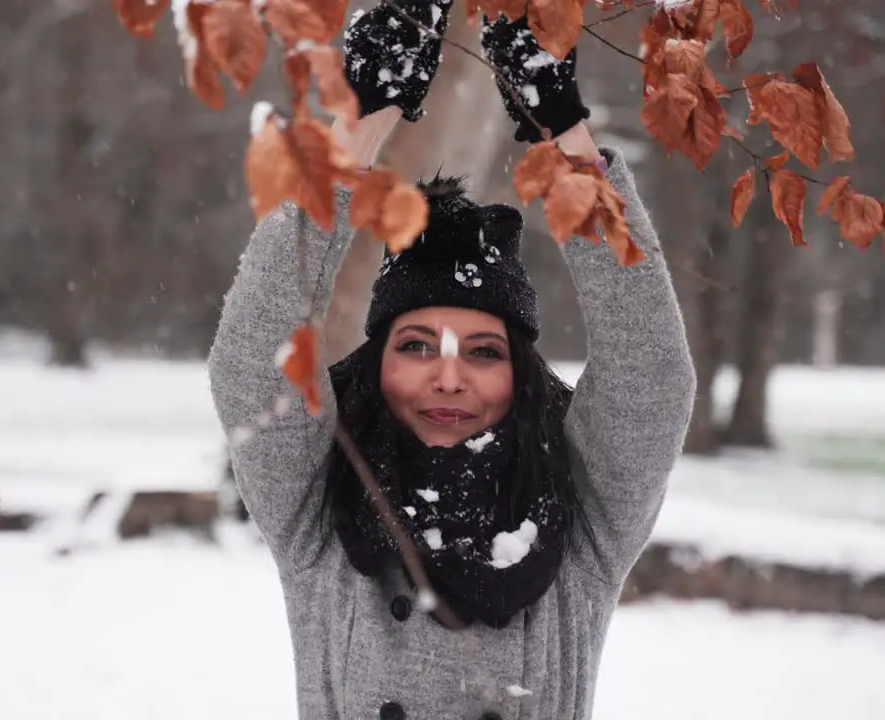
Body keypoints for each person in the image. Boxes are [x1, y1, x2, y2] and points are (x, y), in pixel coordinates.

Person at [208, 2, 696, 718]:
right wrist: (363, 118)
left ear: (519, 373)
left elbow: (651, 379)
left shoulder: (579, 517)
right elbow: (252, 362)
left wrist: (562, 136)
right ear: (376, 365)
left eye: (483, 351)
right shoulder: (322, 507)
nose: (447, 376)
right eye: (414, 345)